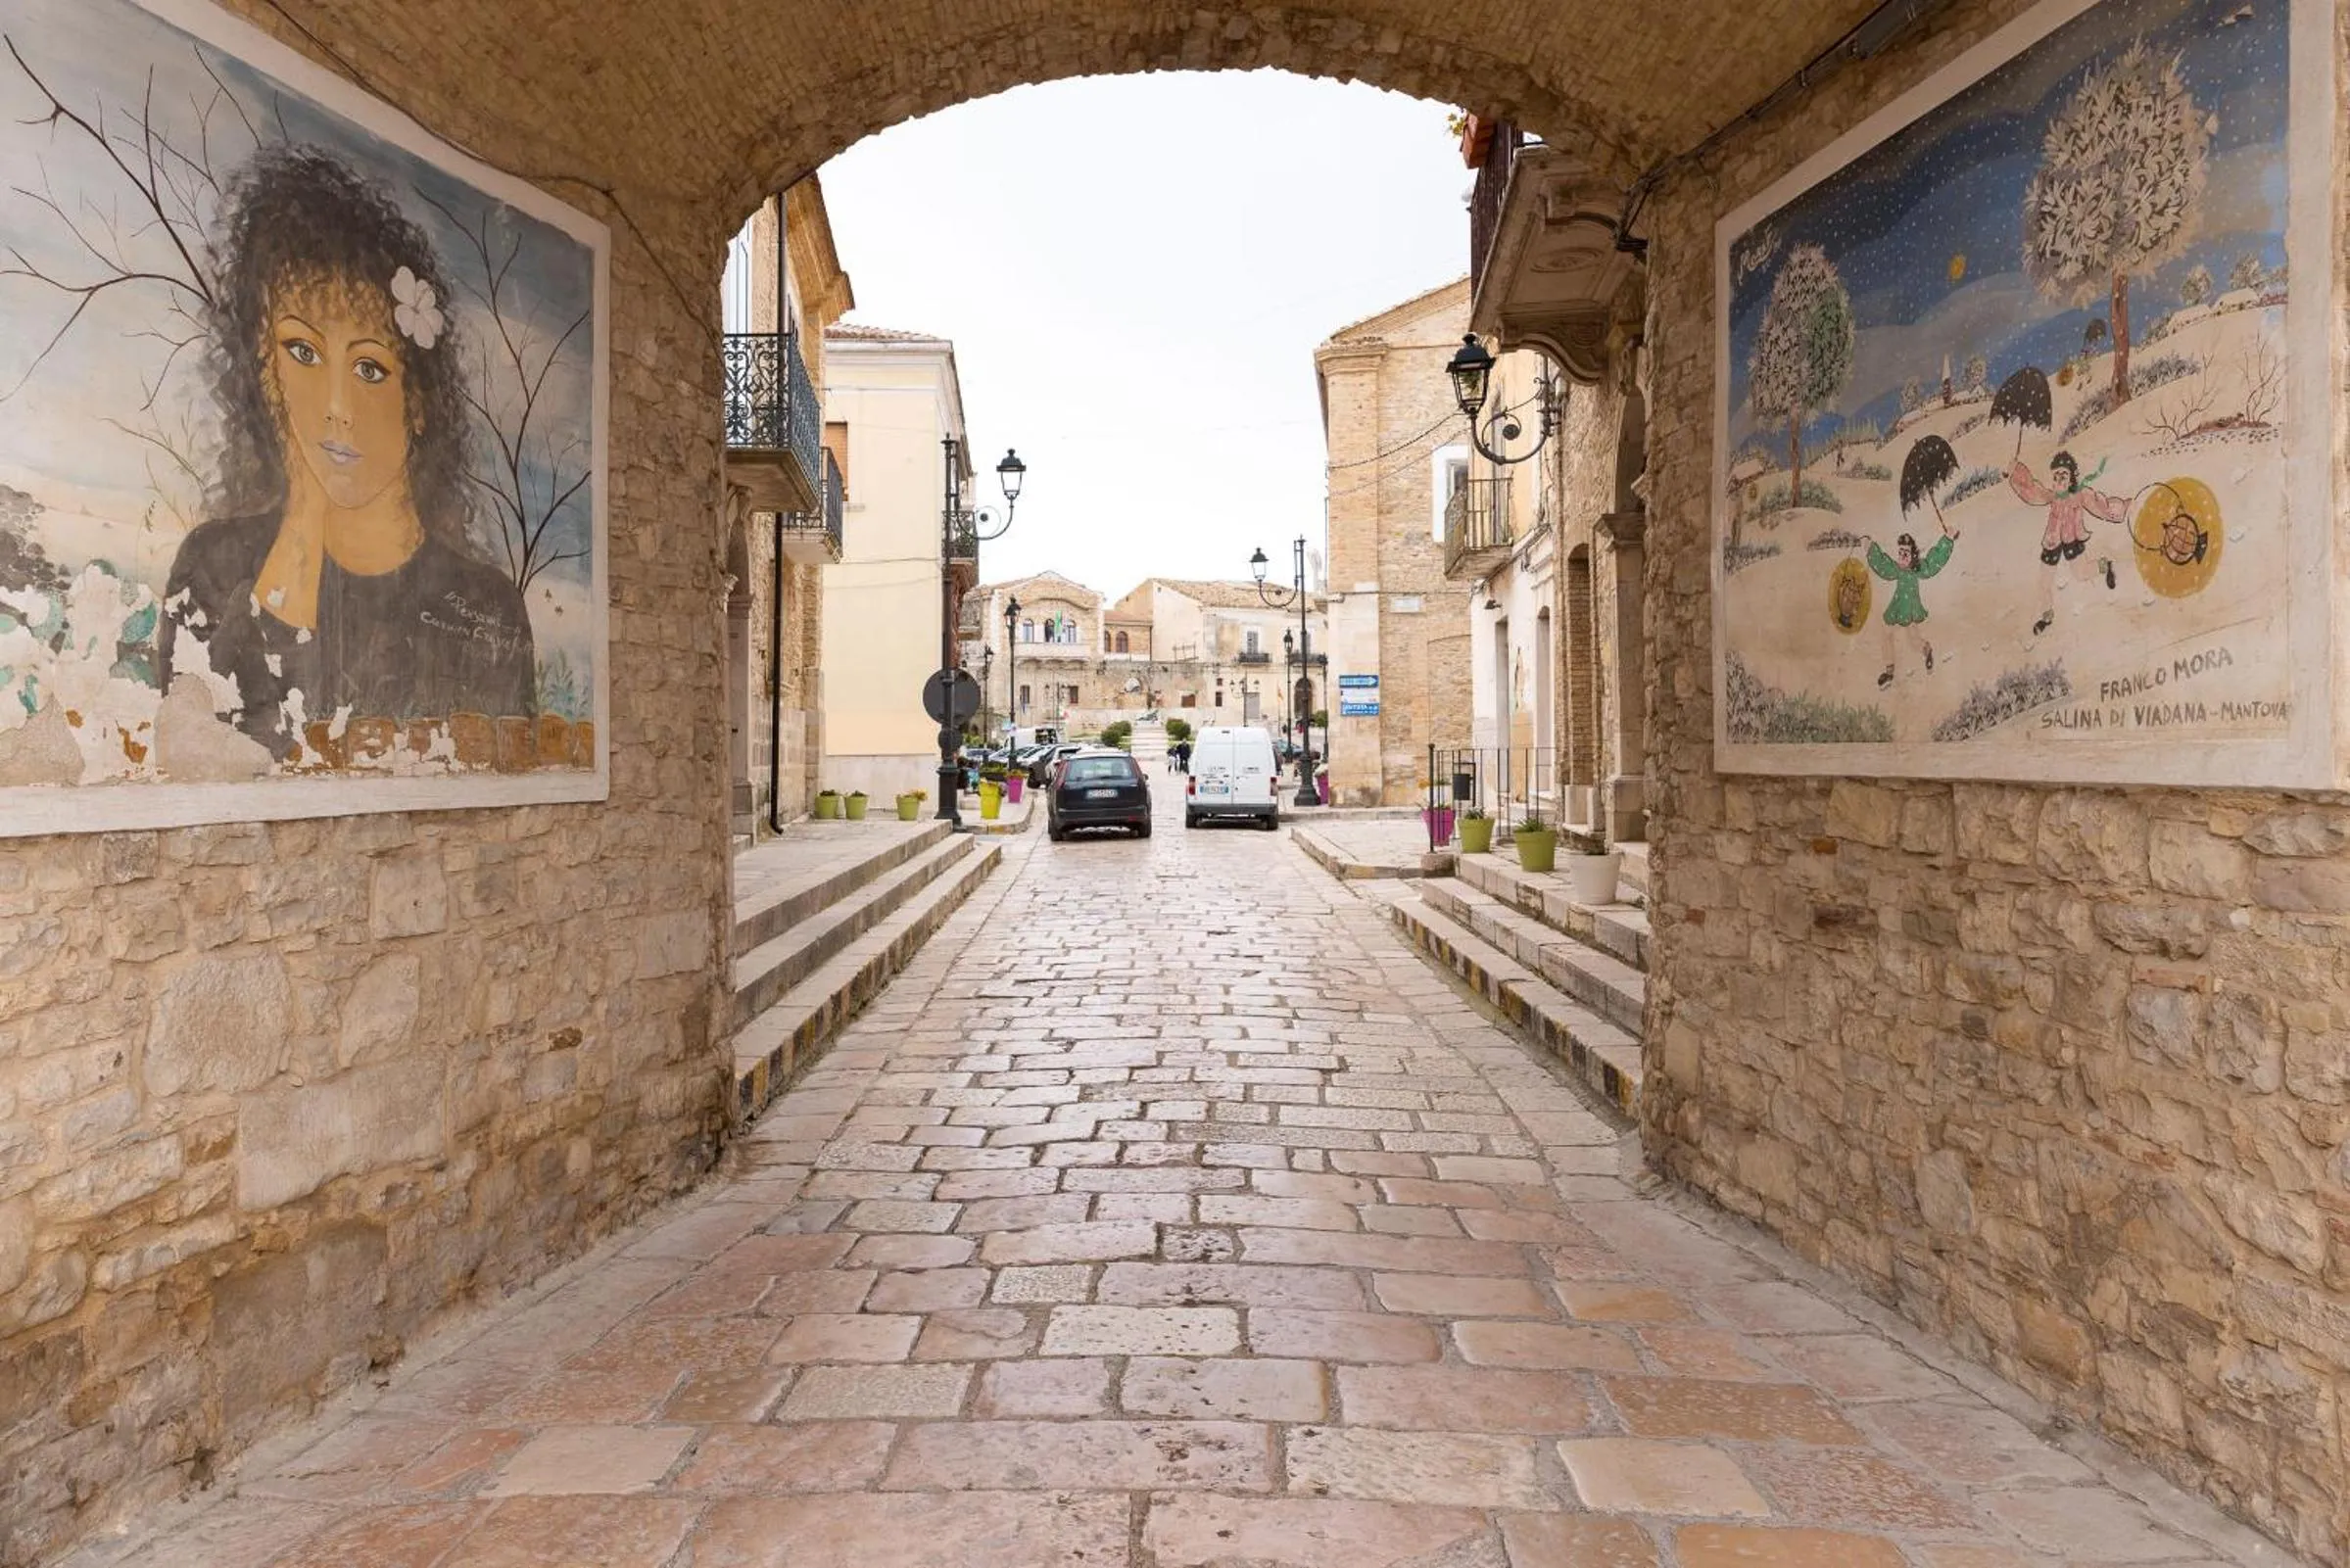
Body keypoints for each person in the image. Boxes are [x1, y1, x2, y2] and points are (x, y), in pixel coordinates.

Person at [161, 145, 535, 760]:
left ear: (416, 398)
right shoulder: (213, 565)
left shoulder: (484, 609)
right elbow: (214, 755)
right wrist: (303, 519)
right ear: (266, 368)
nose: (336, 405)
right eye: (302, 354)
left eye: (368, 367)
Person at [2007, 450, 2126, 637]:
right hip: (2052, 543)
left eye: (2064, 475)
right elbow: (2031, 491)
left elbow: (2099, 505)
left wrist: (2119, 510)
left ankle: (2105, 565)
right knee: (2044, 583)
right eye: (2056, 476)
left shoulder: (2079, 495)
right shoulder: (2051, 496)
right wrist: (2015, 470)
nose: (2059, 480)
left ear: (2071, 478)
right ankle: (2046, 617)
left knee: (2081, 573)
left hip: (2071, 540)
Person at [1865, 525, 1956, 689]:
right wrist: (1871, 548)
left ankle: (1926, 650)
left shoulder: (1917, 569)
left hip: (1910, 610)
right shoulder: (1897, 569)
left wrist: (1947, 539)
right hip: (1898, 608)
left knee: (1913, 640)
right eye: (1900, 553)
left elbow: (1933, 562)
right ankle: (1889, 669)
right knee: (1886, 634)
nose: (1902, 557)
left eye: (1905, 554)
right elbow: (1884, 566)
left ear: (1913, 554)